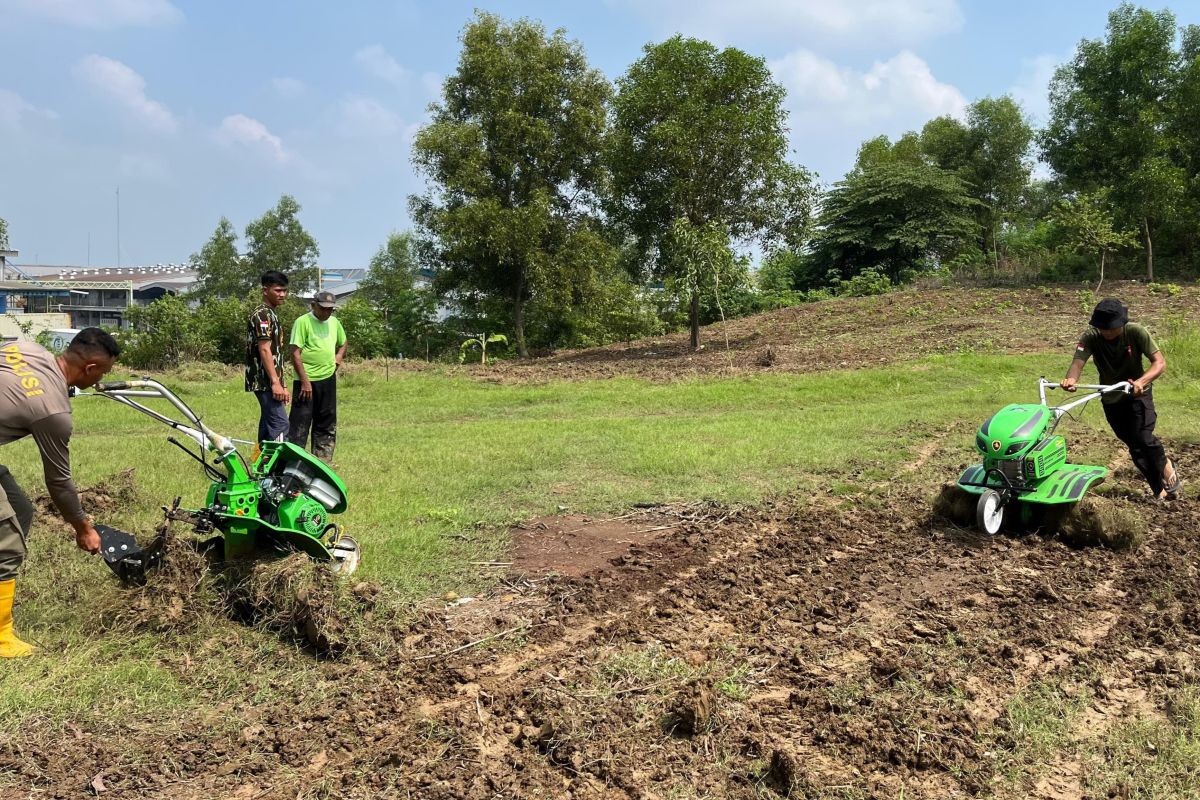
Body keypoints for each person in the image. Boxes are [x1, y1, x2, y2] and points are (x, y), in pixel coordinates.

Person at [0, 328, 120, 658]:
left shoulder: (26, 348)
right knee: (7, 540)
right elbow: (59, 483)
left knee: (19, 510)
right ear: (91, 368)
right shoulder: (53, 413)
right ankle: (1, 638)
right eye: (102, 375)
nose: (98, 383)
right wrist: (83, 528)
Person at [1061, 298, 1179, 501]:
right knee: (1134, 446)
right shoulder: (1091, 337)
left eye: (1110, 328)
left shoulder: (1136, 332)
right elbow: (1078, 363)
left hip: (1137, 394)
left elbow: (1159, 363)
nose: (1106, 332)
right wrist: (1071, 379)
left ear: (1121, 323)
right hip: (1111, 398)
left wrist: (1142, 381)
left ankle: (1167, 467)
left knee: (1143, 438)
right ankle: (1157, 489)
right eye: (1102, 328)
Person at [287, 290, 346, 461]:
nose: (327, 312)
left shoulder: (334, 323)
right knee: (300, 424)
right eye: (323, 308)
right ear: (314, 305)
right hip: (306, 381)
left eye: (330, 310)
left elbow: (343, 342)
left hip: (327, 378)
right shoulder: (302, 322)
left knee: (326, 422)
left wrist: (338, 357)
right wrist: (305, 382)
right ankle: (295, 462)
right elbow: (295, 353)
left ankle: (323, 461)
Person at [246, 271, 291, 450]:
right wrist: (275, 382)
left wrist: (283, 383)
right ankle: (277, 472)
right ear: (265, 290)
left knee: (267, 427)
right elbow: (264, 349)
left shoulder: (272, 314)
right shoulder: (262, 315)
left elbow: (276, 354)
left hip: (272, 380)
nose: (282, 295)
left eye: (285, 291)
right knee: (280, 424)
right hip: (264, 381)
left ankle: (261, 470)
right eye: (278, 290)